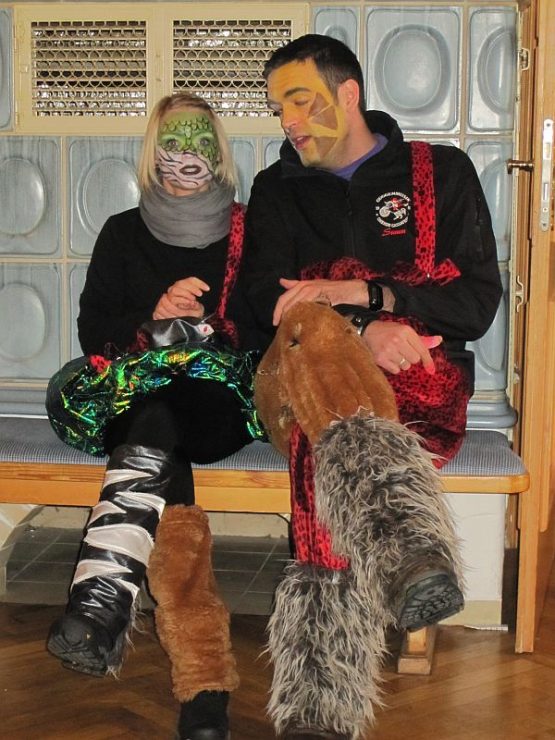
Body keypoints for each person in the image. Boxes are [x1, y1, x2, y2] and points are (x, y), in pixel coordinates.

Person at [243, 34, 503, 739]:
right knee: (315, 340)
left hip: (420, 383)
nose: (287, 121)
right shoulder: (275, 189)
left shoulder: (439, 174)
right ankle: (408, 551)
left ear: (348, 93)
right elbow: (260, 306)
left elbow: (476, 303)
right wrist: (358, 331)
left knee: (322, 452)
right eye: (277, 108)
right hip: (298, 383)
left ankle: (318, 710)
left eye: (299, 101)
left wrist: (370, 294)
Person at [45, 92, 265, 740]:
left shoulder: (250, 231)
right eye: (173, 140)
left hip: (216, 403)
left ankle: (101, 603)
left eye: (199, 140)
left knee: (160, 421)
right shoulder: (122, 231)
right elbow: (93, 332)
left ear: (218, 150)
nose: (185, 155)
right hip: (135, 398)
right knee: (156, 427)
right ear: (152, 150)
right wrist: (154, 318)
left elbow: (265, 333)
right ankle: (204, 691)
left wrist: (203, 325)